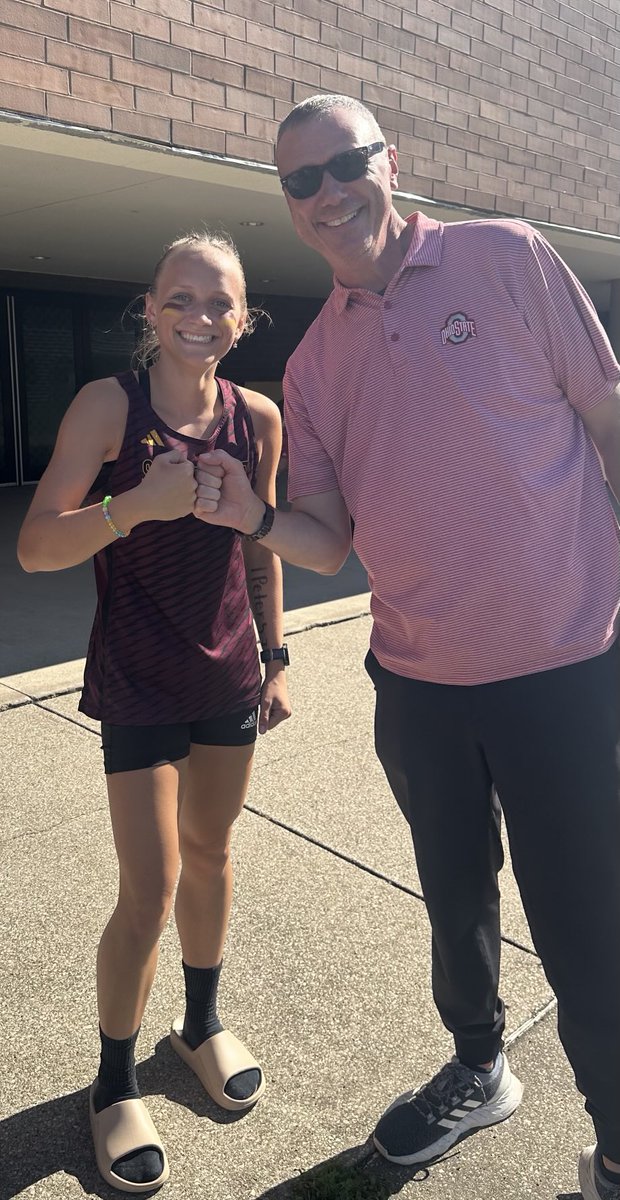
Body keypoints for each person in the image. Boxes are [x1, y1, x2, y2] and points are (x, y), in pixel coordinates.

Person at [192, 96, 620, 1200]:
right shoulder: (316, 365)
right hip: (419, 684)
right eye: (300, 180)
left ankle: (616, 1144)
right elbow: (328, 541)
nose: (328, 191)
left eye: (344, 163)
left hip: (563, 668)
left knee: (585, 922)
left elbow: (606, 412)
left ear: (391, 162)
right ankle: (478, 1068)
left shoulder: (508, 259)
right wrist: (248, 513)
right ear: (288, 208)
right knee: (454, 895)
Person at [17, 231, 291, 1194]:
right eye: (182, 300)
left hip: (228, 674)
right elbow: (36, 548)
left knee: (214, 856)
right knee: (152, 887)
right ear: (149, 308)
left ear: (244, 316)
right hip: (135, 676)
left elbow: (263, 543)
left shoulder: (256, 416)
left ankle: (202, 1024)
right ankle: (112, 1082)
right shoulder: (108, 407)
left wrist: (279, 653)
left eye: (220, 303)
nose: (200, 318)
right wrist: (135, 505)